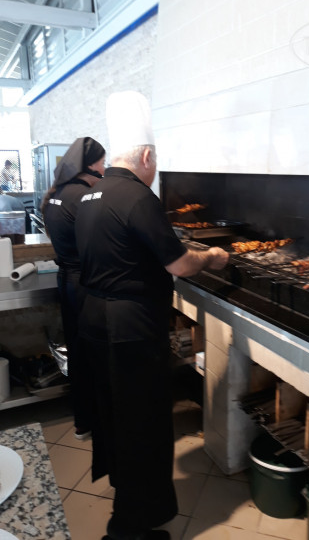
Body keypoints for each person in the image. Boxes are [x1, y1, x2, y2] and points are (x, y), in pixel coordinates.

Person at [74, 91, 229, 540]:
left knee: (114, 415)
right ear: (146, 157)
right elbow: (180, 264)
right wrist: (212, 257)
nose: (155, 168)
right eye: (155, 160)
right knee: (142, 422)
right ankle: (129, 526)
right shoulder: (139, 198)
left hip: (94, 319)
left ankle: (130, 501)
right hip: (131, 327)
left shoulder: (91, 195)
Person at [42, 137, 106, 440]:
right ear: (89, 165)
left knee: (78, 352)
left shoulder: (57, 194)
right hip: (86, 284)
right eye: (102, 162)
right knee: (95, 353)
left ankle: (83, 421)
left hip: (66, 281)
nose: (104, 169)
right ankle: (101, 420)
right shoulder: (85, 197)